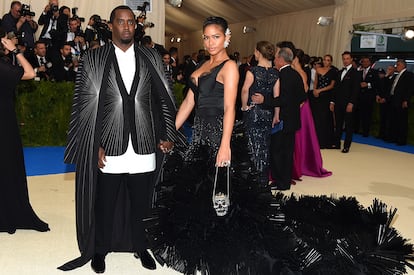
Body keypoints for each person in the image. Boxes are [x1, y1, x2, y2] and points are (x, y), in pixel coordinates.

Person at [145, 20, 414, 274]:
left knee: (223, 192)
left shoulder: (228, 67)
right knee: (198, 188)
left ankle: (218, 244)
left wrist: (225, 144)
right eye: (206, 37)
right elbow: (189, 104)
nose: (210, 42)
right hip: (199, 137)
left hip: (218, 135)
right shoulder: (203, 65)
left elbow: (229, 108)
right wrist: (170, 132)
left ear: (226, 38)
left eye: (216, 36)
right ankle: (199, 238)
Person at [58, 5, 185, 273]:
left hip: (144, 142)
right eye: (121, 22)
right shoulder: (94, 59)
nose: (127, 26)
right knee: (105, 202)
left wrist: (167, 134)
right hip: (109, 144)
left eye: (130, 22)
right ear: (111, 25)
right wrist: (94, 144)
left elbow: (165, 99)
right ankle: (100, 249)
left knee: (142, 203)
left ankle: (141, 246)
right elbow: (84, 105)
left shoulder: (152, 56)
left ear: (135, 27)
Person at [0, 28, 49, 234]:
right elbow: (30, 73)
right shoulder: (1, 67)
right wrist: (16, 51)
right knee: (7, 165)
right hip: (4, 123)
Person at [252, 46, 306, 190]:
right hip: (293, 120)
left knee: (277, 152)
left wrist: (264, 100)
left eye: (276, 57)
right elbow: (302, 97)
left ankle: (280, 181)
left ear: (281, 60)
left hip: (281, 120)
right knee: (287, 153)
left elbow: (282, 99)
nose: (274, 60)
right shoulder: (296, 75)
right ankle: (284, 182)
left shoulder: (282, 75)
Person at [290, 48, 332, 180]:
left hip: (301, 107)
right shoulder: (292, 71)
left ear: (295, 58)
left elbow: (304, 91)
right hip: (296, 105)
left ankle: (302, 163)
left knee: (301, 135)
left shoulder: (301, 72)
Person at [241, 40, 278, 185]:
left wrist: (244, 106)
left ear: (258, 52)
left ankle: (253, 180)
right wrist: (276, 115)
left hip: (254, 112)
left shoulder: (253, 71)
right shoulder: (276, 73)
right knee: (264, 146)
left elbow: (245, 90)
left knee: (252, 145)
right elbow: (277, 97)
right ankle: (262, 180)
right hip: (268, 114)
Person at [330, 51, 360, 153]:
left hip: (348, 104)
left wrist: (351, 103)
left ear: (351, 59)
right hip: (338, 103)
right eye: (344, 59)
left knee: (348, 126)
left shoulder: (356, 73)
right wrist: (332, 101)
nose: (345, 61)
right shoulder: (339, 72)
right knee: (338, 124)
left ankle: (346, 146)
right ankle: (336, 143)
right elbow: (335, 88)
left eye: (347, 58)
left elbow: (356, 90)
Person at [312, 54, 337, 149]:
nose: (326, 62)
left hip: (326, 96)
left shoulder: (333, 71)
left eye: (328, 60)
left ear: (331, 61)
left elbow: (332, 86)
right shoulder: (318, 70)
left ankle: (326, 142)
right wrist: (315, 90)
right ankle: (317, 141)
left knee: (326, 119)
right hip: (317, 97)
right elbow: (315, 82)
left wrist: (320, 90)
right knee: (317, 119)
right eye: (325, 60)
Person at [388, 59, 414, 146]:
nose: (396, 66)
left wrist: (406, 100)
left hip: (401, 101)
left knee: (402, 121)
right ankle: (394, 138)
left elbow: (410, 89)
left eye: (398, 65)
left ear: (403, 65)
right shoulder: (397, 75)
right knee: (394, 120)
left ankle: (401, 140)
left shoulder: (408, 75)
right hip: (394, 100)